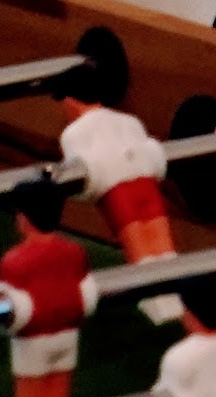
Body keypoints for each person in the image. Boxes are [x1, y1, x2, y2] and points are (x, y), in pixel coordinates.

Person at [0, 177, 97, 397]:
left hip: (33, 340)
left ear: (23, 217)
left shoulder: (13, 261)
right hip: (67, 335)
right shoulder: (75, 252)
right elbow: (85, 293)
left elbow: (7, 308)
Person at [52, 86, 180, 303]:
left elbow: (83, 177)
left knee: (140, 250)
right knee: (163, 245)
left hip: (117, 193)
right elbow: (150, 153)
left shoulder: (72, 134)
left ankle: (158, 303)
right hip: (146, 184)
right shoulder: (130, 120)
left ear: (70, 100)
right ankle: (178, 298)